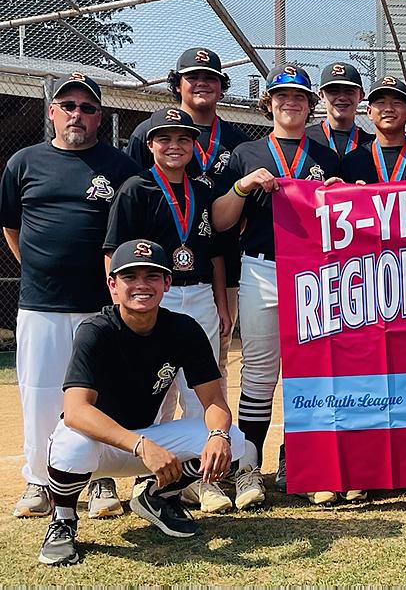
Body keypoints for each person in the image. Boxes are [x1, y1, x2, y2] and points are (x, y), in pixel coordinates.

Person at [37, 240, 255, 566]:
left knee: (235, 441)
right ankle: (63, 520)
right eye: (130, 277)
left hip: (147, 440)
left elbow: (214, 401)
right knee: (71, 444)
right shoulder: (96, 330)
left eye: (153, 276)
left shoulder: (183, 329)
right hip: (102, 444)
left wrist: (218, 436)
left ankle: (156, 497)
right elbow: (77, 410)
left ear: (167, 283)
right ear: (113, 285)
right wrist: (141, 446)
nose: (141, 285)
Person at [104, 108, 263, 513]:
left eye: (183, 140)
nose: (174, 147)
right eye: (165, 139)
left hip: (199, 295)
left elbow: (217, 249)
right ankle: (152, 473)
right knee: (155, 390)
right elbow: (113, 252)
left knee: (201, 389)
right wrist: (120, 304)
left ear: (194, 146)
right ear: (150, 144)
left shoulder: (203, 189)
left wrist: (221, 301)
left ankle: (199, 480)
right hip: (154, 296)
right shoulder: (136, 189)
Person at [0, 73, 140, 520]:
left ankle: (98, 479)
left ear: (100, 116)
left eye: (88, 107)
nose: (78, 114)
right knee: (40, 393)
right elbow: (11, 228)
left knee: (102, 394)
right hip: (40, 303)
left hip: (101, 306)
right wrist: (40, 269)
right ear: (52, 111)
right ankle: (40, 480)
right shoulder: (23, 162)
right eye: (69, 105)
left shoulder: (119, 167)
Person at [211, 65, 342, 506]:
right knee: (261, 372)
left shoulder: (326, 152)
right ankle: (249, 467)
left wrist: (343, 191)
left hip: (316, 273)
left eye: (300, 96)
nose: (291, 102)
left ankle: (302, 461)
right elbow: (220, 220)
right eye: (282, 95)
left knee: (314, 372)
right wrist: (243, 186)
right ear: (269, 101)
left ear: (311, 103)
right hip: (262, 269)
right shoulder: (247, 153)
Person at [123, 47, 251, 419]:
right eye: (192, 76)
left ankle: (209, 455)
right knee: (154, 370)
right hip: (157, 274)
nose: (201, 83)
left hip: (218, 265)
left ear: (222, 87)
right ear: (176, 84)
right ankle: (157, 464)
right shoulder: (147, 132)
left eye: (210, 77)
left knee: (214, 363)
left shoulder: (237, 138)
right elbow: (139, 190)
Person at [341, 77, 406, 183]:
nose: (389, 109)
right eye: (381, 102)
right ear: (369, 112)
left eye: (397, 103)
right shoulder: (352, 161)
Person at [306, 61, 375, 157]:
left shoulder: (372, 144)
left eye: (349, 91)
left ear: (361, 96)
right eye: (333, 91)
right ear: (321, 95)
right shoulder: (306, 139)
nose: (342, 97)